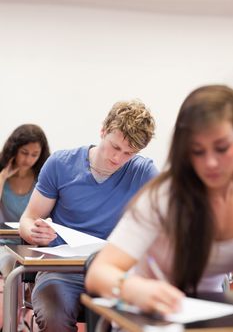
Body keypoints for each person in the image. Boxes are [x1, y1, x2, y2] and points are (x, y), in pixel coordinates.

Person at [85, 84, 233, 317]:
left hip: (211, 313)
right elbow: (99, 273)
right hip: (148, 314)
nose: (211, 163)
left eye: (222, 148)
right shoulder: (163, 198)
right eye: (197, 151)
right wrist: (133, 289)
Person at [19, 99, 158, 332]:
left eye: (129, 153)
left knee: (136, 320)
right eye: (114, 147)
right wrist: (34, 232)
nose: (118, 159)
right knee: (54, 315)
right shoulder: (60, 165)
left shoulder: (142, 172)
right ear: (103, 131)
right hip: (61, 271)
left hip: (116, 273)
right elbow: (28, 219)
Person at [0, 124, 50, 276]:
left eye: (34, 154)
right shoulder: (2, 174)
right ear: (14, 150)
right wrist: (2, 177)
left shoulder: (42, 177)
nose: (28, 159)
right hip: (4, 245)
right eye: (24, 152)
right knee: (10, 264)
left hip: (33, 244)